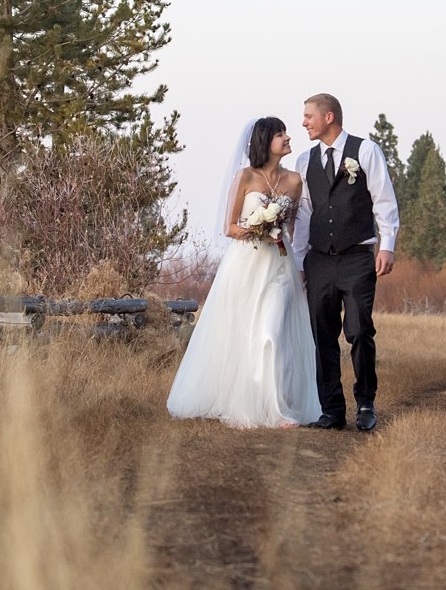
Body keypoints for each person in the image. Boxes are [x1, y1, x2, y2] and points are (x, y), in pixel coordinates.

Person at [167, 117, 322, 429]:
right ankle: (242, 399)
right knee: (242, 332)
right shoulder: (245, 176)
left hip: (279, 266)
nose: (288, 137)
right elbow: (230, 227)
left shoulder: (294, 181)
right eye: (281, 134)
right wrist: (260, 229)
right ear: (266, 142)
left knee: (271, 332)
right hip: (245, 265)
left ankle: (277, 409)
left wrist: (295, 256)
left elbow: (297, 230)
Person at [292, 93, 399, 432]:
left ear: (329, 117)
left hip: (357, 257)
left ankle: (366, 402)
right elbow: (305, 213)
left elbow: (383, 200)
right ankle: (332, 410)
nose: (304, 122)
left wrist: (387, 246)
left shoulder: (365, 151)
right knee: (322, 336)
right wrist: (299, 262)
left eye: (309, 116)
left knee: (359, 330)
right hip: (319, 260)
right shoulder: (303, 161)